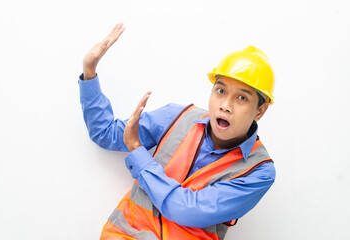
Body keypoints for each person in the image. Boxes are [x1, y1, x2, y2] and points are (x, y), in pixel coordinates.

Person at [79, 23, 276, 240]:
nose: (225, 105)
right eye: (220, 91)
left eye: (242, 98)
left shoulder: (259, 172)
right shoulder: (177, 117)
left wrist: (137, 151)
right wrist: (90, 72)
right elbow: (105, 132)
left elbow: (187, 210)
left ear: (260, 110)